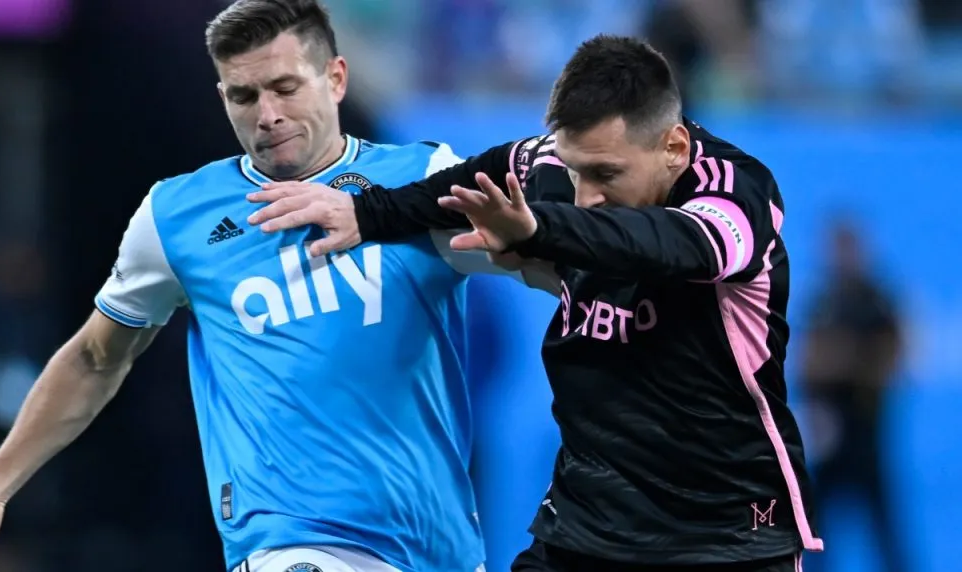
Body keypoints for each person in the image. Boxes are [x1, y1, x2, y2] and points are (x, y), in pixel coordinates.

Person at [0, 1, 538, 571]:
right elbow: (96, 357)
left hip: (438, 544)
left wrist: (526, 246)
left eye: (284, 88)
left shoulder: (420, 177)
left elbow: (534, 272)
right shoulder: (178, 217)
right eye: (243, 96)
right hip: (286, 539)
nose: (266, 115)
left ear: (335, 78)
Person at [247, 35, 823, 571]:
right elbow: (474, 179)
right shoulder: (557, 169)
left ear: (672, 147)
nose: (586, 196)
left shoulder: (736, 190)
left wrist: (538, 229)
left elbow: (670, 246)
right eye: (574, 171)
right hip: (588, 520)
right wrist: (366, 213)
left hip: (726, 532)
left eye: (606, 174)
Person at [800, 219, 907, 572]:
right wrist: (850, 358)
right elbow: (809, 363)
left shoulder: (878, 300)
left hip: (867, 437)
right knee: (816, 538)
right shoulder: (823, 301)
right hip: (830, 441)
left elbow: (894, 358)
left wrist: (846, 359)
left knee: (886, 536)